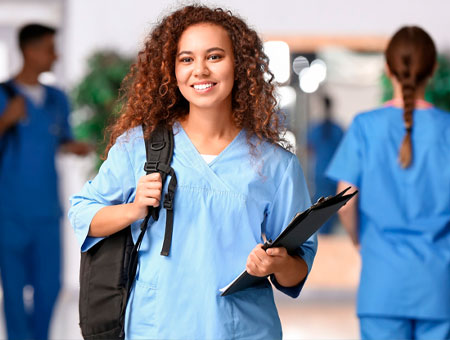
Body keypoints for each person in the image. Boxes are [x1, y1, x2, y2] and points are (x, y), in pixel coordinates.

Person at [69, 5, 317, 340]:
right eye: (186, 59)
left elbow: (298, 268)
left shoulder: (276, 166)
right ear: (172, 70)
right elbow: (82, 213)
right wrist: (134, 209)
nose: (199, 70)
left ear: (239, 65)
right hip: (155, 327)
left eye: (214, 56)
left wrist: (276, 264)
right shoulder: (138, 148)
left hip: (240, 330)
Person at [327, 26, 450, 339]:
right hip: (439, 286)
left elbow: (345, 202)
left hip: (382, 284)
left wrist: (359, 241)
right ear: (434, 69)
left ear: (387, 68)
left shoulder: (365, 126)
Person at [0, 24, 91, 340]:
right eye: (50, 48)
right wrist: (4, 121)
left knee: (49, 286)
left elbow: (59, 139)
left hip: (46, 212)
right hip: (9, 212)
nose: (56, 55)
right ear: (29, 50)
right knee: (13, 290)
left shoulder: (56, 98)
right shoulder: (3, 96)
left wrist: (74, 147)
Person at [307, 95, 343, 233]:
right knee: (332, 209)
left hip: (320, 173)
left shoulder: (315, 129)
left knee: (320, 208)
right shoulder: (337, 129)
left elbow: (309, 149)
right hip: (333, 174)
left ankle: (321, 236)